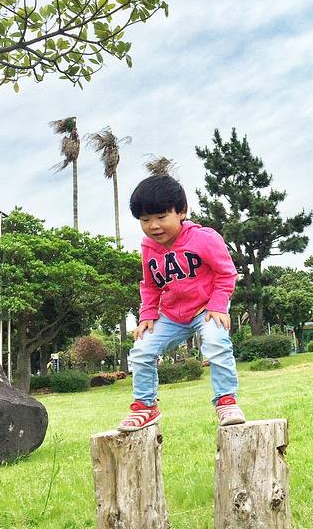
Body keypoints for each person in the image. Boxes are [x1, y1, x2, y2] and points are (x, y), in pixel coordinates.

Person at [117, 173, 246, 431]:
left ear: (182, 211)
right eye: (145, 220)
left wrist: (218, 305)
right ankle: (145, 407)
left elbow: (226, 274)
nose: (154, 226)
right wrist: (147, 315)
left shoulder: (205, 238)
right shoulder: (148, 247)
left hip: (206, 309)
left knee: (216, 342)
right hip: (171, 316)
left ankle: (226, 401)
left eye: (161, 217)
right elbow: (150, 285)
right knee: (141, 350)